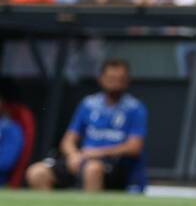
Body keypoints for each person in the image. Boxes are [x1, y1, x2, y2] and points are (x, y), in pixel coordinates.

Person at [26, 59, 147, 192]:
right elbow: (68, 140)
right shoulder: (88, 104)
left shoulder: (135, 108)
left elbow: (134, 147)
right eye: (112, 78)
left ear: (127, 81)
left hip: (113, 165)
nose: (116, 83)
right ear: (101, 78)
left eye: (120, 79)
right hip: (81, 159)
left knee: (92, 169)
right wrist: (73, 155)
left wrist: (97, 153)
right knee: (36, 172)